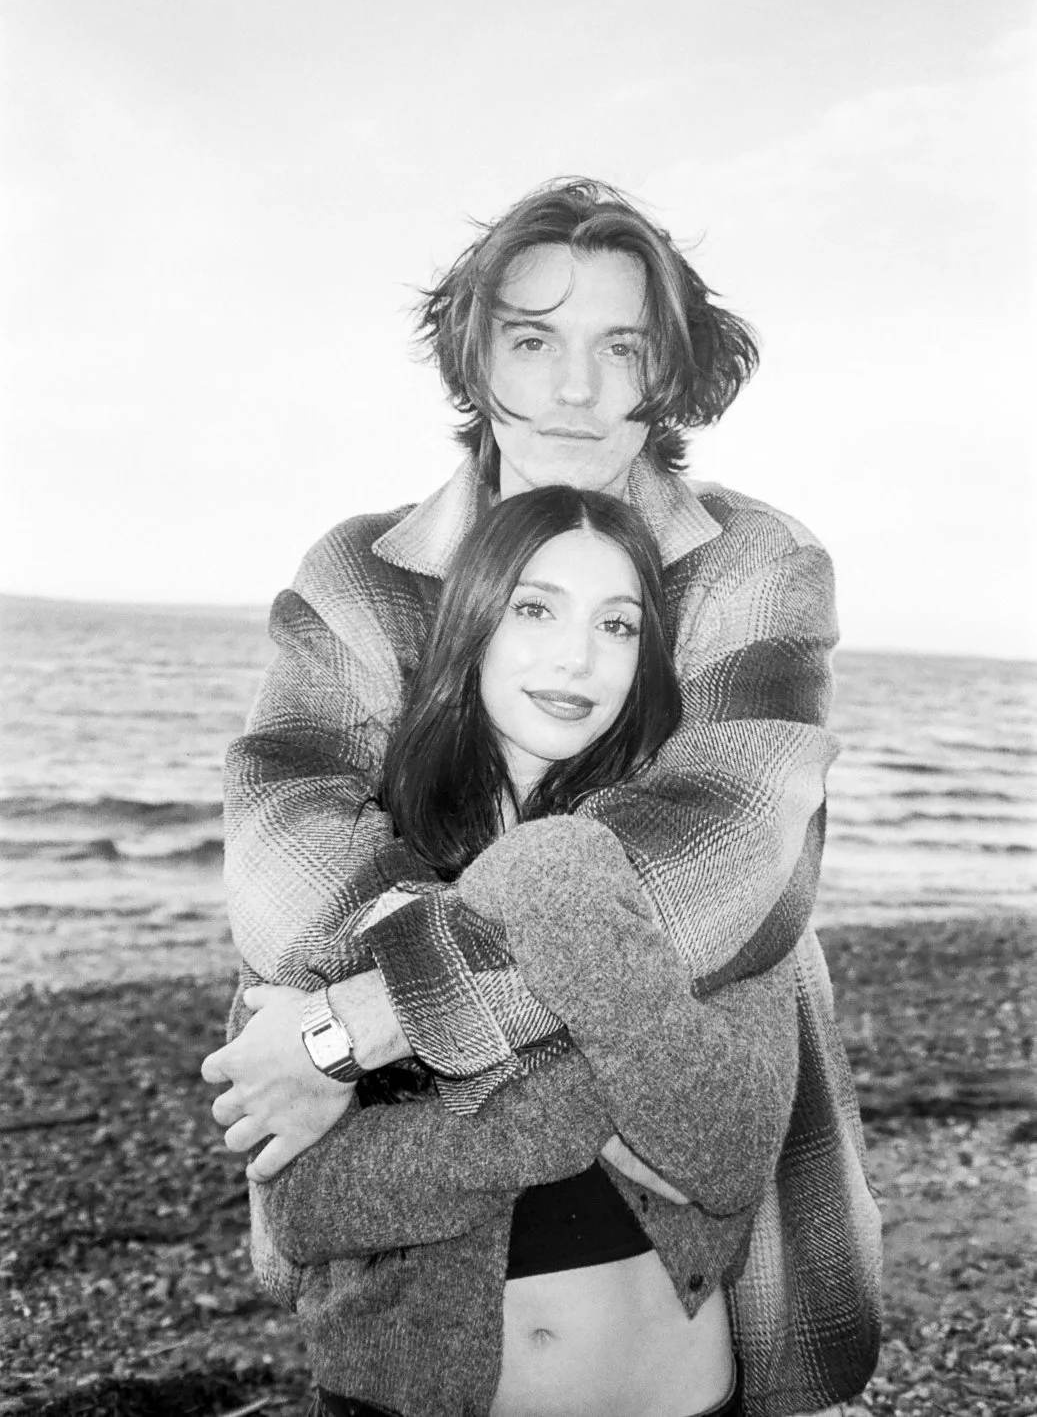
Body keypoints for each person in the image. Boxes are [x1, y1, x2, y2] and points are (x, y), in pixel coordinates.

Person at [202, 178, 881, 1417]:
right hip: (417, 1315)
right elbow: (283, 842)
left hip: (676, 1301)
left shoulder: (752, 566)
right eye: (532, 339)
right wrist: (571, 1026)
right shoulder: (359, 576)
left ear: (665, 370)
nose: (575, 390)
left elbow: (714, 859)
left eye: (619, 347)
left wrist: (354, 1027)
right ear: (473, 356)